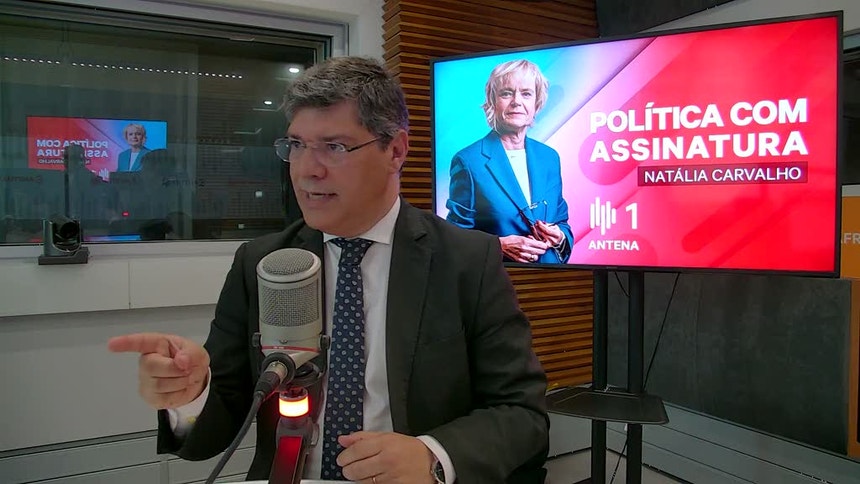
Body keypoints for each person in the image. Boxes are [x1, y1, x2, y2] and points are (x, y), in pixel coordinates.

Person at [108, 56, 549, 483]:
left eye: (335, 147)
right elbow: (213, 431)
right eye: (296, 146)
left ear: (395, 150)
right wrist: (190, 395)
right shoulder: (261, 263)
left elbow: (522, 414)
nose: (306, 171)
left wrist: (432, 457)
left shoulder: (465, 260)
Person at [445, 59, 574, 264]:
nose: (516, 101)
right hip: (499, 278)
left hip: (549, 279)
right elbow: (453, 240)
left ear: (536, 103)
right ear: (492, 102)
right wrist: (498, 246)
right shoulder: (468, 161)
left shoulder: (549, 157)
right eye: (506, 93)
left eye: (526, 93)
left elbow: (562, 222)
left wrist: (559, 237)